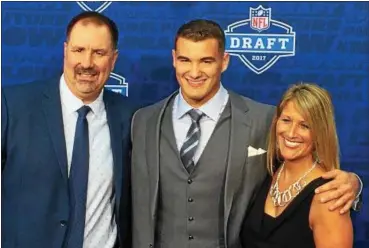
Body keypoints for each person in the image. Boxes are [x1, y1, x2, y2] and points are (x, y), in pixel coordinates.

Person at [130, 19, 362, 248]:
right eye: (184, 60)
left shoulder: (265, 120)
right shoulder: (143, 122)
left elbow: (306, 167)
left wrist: (353, 183)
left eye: (206, 61)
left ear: (224, 61)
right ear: (174, 59)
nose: (194, 71)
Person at [1, 12, 133, 248]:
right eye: (79, 50)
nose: (87, 63)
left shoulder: (131, 118)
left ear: (113, 60)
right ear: (65, 51)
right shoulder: (12, 106)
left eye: (99, 53)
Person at [240, 83, 353, 248]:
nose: (291, 133)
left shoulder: (328, 198)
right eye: (286, 120)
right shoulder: (267, 170)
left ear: (320, 132)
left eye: (304, 126)